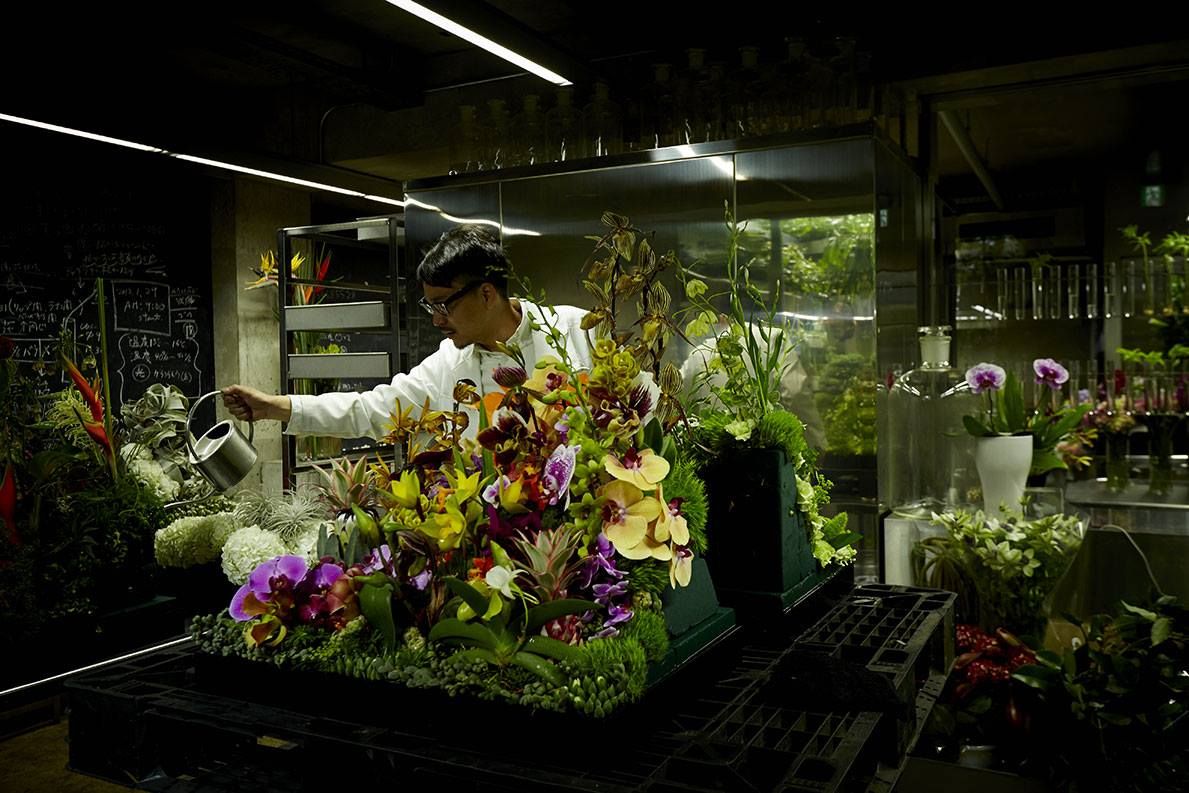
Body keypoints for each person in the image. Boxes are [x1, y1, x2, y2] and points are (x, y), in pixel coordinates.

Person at [222, 225, 592, 440]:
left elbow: (646, 410)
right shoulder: (449, 365)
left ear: (486, 293)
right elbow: (370, 410)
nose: (437, 320)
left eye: (444, 305)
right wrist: (277, 407)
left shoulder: (576, 332)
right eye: (430, 307)